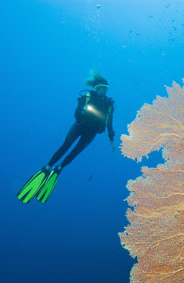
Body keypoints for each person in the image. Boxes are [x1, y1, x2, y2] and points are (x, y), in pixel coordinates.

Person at [17, 70, 116, 203]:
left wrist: (111, 139)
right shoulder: (87, 97)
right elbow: (77, 111)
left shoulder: (109, 104)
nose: (104, 91)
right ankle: (48, 166)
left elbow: (110, 123)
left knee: (75, 153)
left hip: (91, 132)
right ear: (96, 88)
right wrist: (82, 111)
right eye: (102, 88)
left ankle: (60, 168)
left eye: (106, 89)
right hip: (79, 126)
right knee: (65, 146)